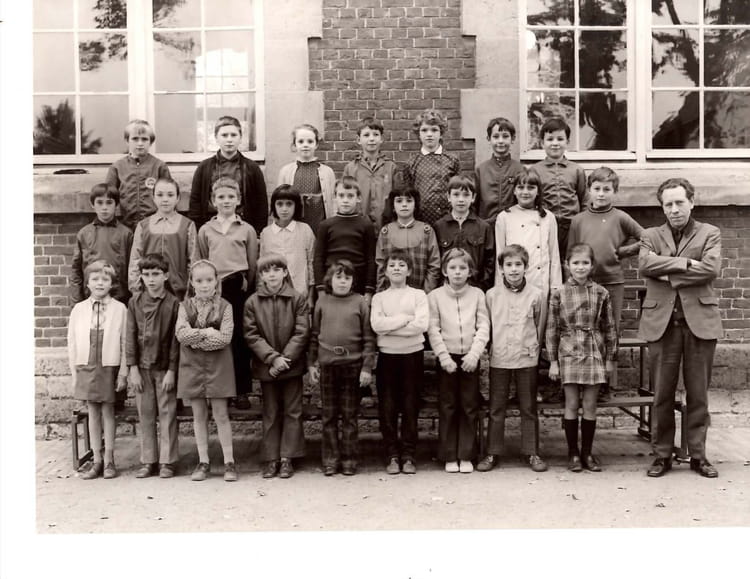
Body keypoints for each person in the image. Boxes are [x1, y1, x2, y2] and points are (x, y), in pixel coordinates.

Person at [639, 177, 722, 479]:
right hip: (662, 324)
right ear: (662, 207)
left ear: (692, 202)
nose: (674, 209)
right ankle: (662, 455)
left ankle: (698, 455)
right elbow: (645, 266)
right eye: (668, 204)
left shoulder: (710, 233)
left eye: (679, 203)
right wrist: (687, 264)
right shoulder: (650, 235)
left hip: (699, 322)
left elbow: (711, 269)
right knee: (662, 394)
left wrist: (667, 270)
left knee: (698, 394)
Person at [568, 166, 644, 400]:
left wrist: (624, 251)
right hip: (584, 284)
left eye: (607, 189)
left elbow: (648, 238)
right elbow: (571, 252)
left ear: (615, 191)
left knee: (609, 331)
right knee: (585, 331)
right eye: (597, 189)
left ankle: (607, 385)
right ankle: (583, 381)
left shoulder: (620, 217)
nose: (601, 194)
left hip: (612, 282)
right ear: (589, 190)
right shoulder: (578, 220)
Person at [546, 243, 617, 473]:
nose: (580, 267)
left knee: (589, 405)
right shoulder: (559, 293)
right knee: (571, 403)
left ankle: (587, 453)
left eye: (585, 263)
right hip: (568, 350)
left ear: (592, 265)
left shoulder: (601, 292)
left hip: (593, 350)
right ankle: (573, 453)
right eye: (575, 263)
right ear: (567, 265)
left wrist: (610, 359)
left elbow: (609, 327)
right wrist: (553, 361)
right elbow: (552, 329)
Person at [478, 244, 547, 473]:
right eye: (509, 265)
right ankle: (492, 452)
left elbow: (540, 326)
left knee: (528, 407)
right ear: (501, 268)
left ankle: (532, 452)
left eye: (518, 264)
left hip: (527, 358)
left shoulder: (536, 295)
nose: (514, 269)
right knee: (497, 408)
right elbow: (487, 327)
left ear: (526, 267)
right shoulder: (491, 295)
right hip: (500, 358)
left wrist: (534, 349)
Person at [243, 253, 310, 479]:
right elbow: (251, 334)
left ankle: (287, 457)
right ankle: (271, 458)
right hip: (267, 367)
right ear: (261, 276)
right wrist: (272, 358)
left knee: (293, 411)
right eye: (266, 271)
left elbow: (301, 332)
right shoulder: (252, 302)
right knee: (270, 412)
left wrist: (284, 360)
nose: (271, 275)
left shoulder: (297, 299)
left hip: (292, 365)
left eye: (276, 270)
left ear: (285, 272)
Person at [308, 260, 376, 476]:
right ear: (330, 280)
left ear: (353, 281)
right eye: (338, 277)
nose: (343, 282)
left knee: (349, 416)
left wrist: (367, 368)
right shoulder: (322, 302)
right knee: (328, 416)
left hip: (352, 366)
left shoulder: (360, 302)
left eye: (347, 278)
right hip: (328, 366)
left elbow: (368, 339)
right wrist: (311, 364)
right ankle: (330, 459)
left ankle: (349, 459)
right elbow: (314, 336)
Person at [197, 177, 258, 409]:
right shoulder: (206, 230)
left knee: (239, 339)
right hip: (214, 290)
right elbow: (202, 260)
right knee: (216, 338)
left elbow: (252, 263)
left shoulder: (247, 229)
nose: (226, 201)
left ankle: (241, 391)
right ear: (213, 201)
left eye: (231, 197)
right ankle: (220, 390)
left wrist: (246, 286)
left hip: (238, 288)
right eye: (221, 197)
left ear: (238, 200)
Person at [427, 249, 490, 473]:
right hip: (447, 358)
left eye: (463, 268)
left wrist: (474, 355)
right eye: (452, 268)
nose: (457, 272)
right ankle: (449, 455)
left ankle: (466, 454)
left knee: (469, 406)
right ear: (444, 271)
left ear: (470, 271)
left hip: (470, 358)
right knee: (448, 406)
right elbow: (433, 329)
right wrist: (443, 357)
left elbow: (484, 326)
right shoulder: (435, 296)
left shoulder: (478, 295)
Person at [175, 260, 238, 482]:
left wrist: (197, 340)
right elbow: (182, 335)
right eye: (199, 280)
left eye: (209, 280)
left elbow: (225, 338)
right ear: (192, 282)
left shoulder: (226, 306)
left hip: (219, 366)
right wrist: (207, 332)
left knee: (221, 414)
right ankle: (203, 462)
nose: (204, 285)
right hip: (193, 367)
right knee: (199, 415)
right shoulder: (184, 307)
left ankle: (229, 462)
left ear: (216, 281)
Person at [67, 260, 128, 480]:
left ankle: (110, 459)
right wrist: (75, 373)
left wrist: (123, 372)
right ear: (88, 283)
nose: (100, 283)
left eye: (105, 279)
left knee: (108, 412)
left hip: (109, 365)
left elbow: (124, 342)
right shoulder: (79, 309)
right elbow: (72, 343)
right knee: (92, 412)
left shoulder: (120, 309)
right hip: (86, 365)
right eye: (95, 279)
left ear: (112, 283)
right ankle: (97, 459)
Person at [370, 249, 429, 475]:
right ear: (385, 271)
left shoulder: (418, 295)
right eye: (392, 265)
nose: (396, 268)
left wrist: (391, 326)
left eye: (401, 265)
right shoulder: (379, 298)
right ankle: (392, 455)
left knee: (410, 406)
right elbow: (377, 326)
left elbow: (421, 325)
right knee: (388, 408)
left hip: (412, 357)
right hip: (388, 357)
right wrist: (405, 319)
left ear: (409, 271)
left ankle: (408, 455)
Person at [126, 253, 180, 479]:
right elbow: (130, 336)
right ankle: (148, 460)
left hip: (164, 368)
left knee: (167, 414)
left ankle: (167, 461)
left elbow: (176, 341)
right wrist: (132, 368)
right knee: (146, 414)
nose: (151, 279)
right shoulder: (134, 302)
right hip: (142, 369)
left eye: (156, 274)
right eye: (146, 274)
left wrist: (172, 370)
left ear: (165, 276)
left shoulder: (173, 303)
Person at [494, 167, 561, 338]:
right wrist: (500, 285)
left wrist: (555, 285)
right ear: (514, 190)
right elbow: (499, 255)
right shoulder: (504, 217)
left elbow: (554, 254)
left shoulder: (548, 217)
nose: (525, 192)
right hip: (512, 281)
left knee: (536, 331)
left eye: (531, 187)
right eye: (521, 187)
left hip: (540, 281)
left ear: (538, 191)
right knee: (514, 329)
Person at [188, 115, 268, 234]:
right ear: (216, 138)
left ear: (240, 138)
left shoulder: (252, 168)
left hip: (243, 227)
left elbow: (261, 204)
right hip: (212, 227)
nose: (229, 139)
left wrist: (257, 233)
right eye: (224, 135)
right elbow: (195, 202)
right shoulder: (204, 168)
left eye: (233, 135)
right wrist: (199, 231)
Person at [128, 177, 197, 300]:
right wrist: (136, 289)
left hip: (178, 291)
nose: (165, 199)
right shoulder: (143, 225)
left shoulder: (187, 225)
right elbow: (135, 259)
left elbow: (193, 260)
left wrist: (190, 291)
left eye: (170, 195)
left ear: (178, 198)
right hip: (148, 290)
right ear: (153, 197)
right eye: (160, 195)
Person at [313, 177, 377, 301]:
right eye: (341, 196)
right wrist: (321, 290)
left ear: (358, 198)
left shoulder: (366, 225)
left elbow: (371, 259)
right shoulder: (326, 225)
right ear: (335, 198)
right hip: (331, 284)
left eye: (350, 196)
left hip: (358, 284)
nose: (345, 200)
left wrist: (369, 291)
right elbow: (318, 259)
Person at [532, 117, 587, 259]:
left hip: (572, 227)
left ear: (567, 142)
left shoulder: (576, 170)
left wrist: (582, 224)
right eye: (550, 139)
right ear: (542, 143)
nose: (555, 143)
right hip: (545, 226)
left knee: (571, 261)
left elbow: (584, 200)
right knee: (548, 261)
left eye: (560, 139)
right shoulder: (535, 170)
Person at [71, 183, 133, 305]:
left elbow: (132, 269)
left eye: (109, 203)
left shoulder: (126, 234)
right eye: (99, 203)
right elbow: (76, 270)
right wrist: (77, 301)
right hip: (90, 298)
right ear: (92, 204)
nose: (104, 207)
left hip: (120, 299)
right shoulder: (84, 234)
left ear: (116, 205)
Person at [105, 119, 171, 230]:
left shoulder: (159, 166)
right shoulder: (117, 167)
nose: (140, 143)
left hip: (154, 227)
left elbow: (169, 196)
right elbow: (108, 198)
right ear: (127, 141)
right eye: (135, 139)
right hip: (125, 226)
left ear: (151, 142)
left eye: (144, 139)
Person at [433, 174, 494, 290]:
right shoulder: (439, 227)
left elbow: (490, 262)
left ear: (473, 197)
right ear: (448, 197)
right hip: (446, 289)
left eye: (466, 195)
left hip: (475, 288)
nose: (461, 199)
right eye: (456, 194)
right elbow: (435, 261)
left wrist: (481, 286)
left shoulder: (484, 227)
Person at [375, 187, 441, 293]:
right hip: (391, 293)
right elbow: (381, 266)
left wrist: (426, 292)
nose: (404, 205)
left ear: (415, 205)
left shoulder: (427, 231)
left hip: (420, 293)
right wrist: (382, 293)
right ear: (393, 206)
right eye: (399, 201)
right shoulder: (385, 232)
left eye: (409, 201)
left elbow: (434, 265)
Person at [342, 116, 402, 229]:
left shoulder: (391, 167)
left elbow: (398, 197)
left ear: (381, 139)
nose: (371, 139)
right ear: (358, 140)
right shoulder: (351, 168)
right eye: (366, 135)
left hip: (386, 225)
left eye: (375, 134)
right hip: (358, 226)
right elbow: (345, 197)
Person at [259, 184, 316, 303]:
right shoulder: (266, 233)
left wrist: (311, 296)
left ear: (296, 206)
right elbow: (262, 265)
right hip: (273, 296)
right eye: (280, 204)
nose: (284, 209)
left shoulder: (305, 230)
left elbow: (311, 263)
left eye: (289, 204)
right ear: (274, 206)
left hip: (300, 294)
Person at [404, 109, 460, 227]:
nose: (429, 134)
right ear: (418, 134)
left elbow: (458, 190)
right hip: (420, 221)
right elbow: (408, 195)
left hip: (448, 221)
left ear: (441, 133)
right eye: (424, 130)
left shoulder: (452, 160)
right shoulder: (411, 163)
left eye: (434, 130)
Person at [277, 123, 336, 235]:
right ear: (294, 145)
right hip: (295, 222)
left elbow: (333, 202)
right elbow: (278, 201)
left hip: (318, 221)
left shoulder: (327, 172)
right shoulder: (285, 171)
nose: (305, 145)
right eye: (301, 141)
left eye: (310, 141)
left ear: (316, 144)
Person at [474, 117, 525, 225]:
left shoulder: (520, 169)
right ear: (489, 139)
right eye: (496, 136)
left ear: (513, 139)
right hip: (486, 225)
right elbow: (474, 202)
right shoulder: (481, 170)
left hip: (513, 225)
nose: (500, 141)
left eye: (505, 136)